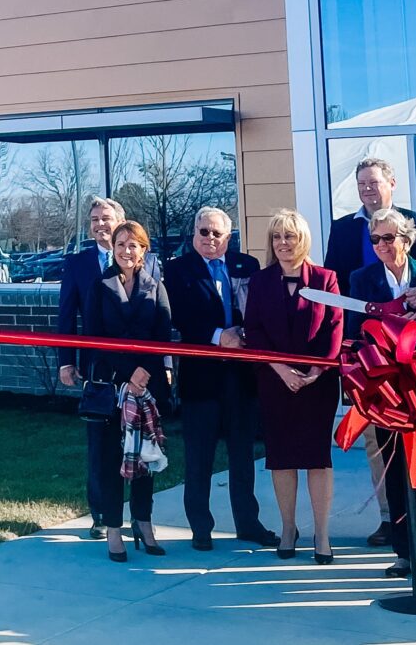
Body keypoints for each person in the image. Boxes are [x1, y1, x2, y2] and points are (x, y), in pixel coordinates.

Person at [324, 156, 416, 547]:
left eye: (374, 182)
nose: (368, 190)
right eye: (361, 184)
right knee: (378, 438)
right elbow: (337, 289)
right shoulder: (343, 229)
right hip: (371, 358)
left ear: (392, 183)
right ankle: (391, 518)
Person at [165, 207, 278, 551]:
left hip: (241, 377)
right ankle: (201, 528)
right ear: (194, 233)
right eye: (204, 232)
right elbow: (180, 317)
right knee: (199, 457)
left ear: (229, 238)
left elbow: (260, 310)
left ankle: (248, 523)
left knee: (242, 455)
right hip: (201, 378)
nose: (210, 239)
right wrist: (218, 336)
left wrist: (242, 333)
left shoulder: (247, 266)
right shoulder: (178, 270)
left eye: (217, 233)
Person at [347, 208, 416, 582]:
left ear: (407, 240)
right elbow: (355, 332)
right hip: (386, 390)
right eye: (375, 239)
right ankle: (405, 553)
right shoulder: (362, 279)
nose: (381, 246)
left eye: (388, 238)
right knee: (394, 470)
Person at [57, 197, 163, 540]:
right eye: (94, 219)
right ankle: (102, 515)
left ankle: (141, 520)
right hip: (102, 373)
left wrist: (153, 368)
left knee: (143, 446)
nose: (100, 224)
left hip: (144, 377)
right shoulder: (78, 264)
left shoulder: (152, 267)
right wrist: (65, 360)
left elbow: (161, 323)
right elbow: (67, 316)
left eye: (106, 218)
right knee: (101, 451)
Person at [245, 209, 343, 564]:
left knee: (318, 458)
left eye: (290, 235)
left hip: (318, 383)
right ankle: (288, 528)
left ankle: (322, 533)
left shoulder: (325, 278)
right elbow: (253, 330)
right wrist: (281, 369)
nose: (283, 243)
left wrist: (317, 370)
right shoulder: (260, 281)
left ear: (303, 239)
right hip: (275, 382)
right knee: (282, 458)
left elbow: (335, 327)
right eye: (277, 236)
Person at [84, 221, 173, 562]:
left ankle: (144, 523)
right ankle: (113, 529)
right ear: (113, 248)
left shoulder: (155, 286)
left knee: (144, 458)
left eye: (133, 245)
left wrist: (144, 371)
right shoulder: (99, 286)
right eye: (120, 244)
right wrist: (128, 372)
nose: (126, 250)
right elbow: (94, 337)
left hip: (147, 386)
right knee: (111, 459)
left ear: (143, 250)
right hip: (112, 386)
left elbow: (162, 335)